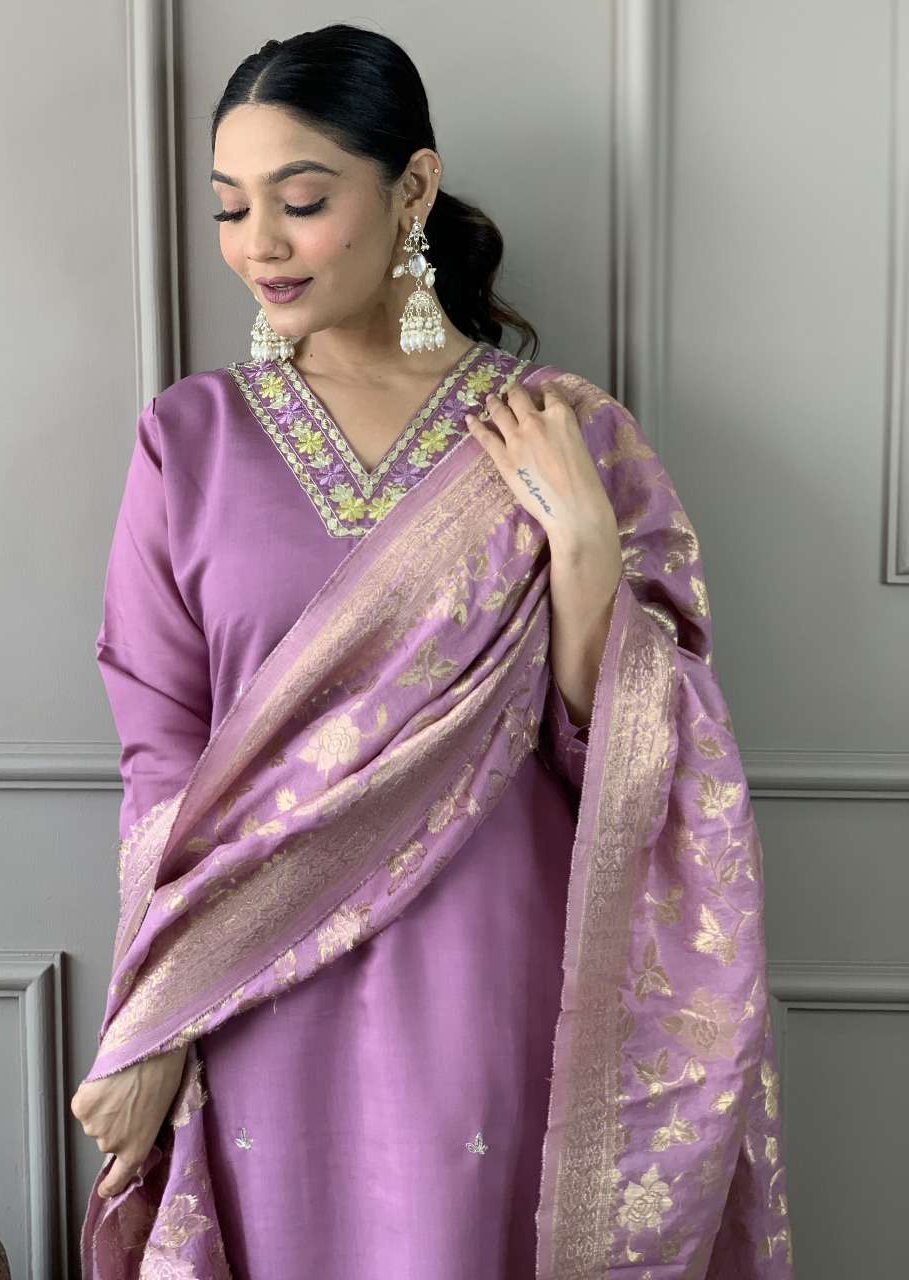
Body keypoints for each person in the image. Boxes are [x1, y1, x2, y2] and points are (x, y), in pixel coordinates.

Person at [71, 23, 794, 1280]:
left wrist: (584, 546)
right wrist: (160, 1016)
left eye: (301, 201)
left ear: (411, 188)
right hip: (257, 988)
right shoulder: (187, 439)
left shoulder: (569, 431)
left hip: (491, 982)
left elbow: (636, 759)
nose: (257, 244)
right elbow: (162, 765)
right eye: (231, 207)